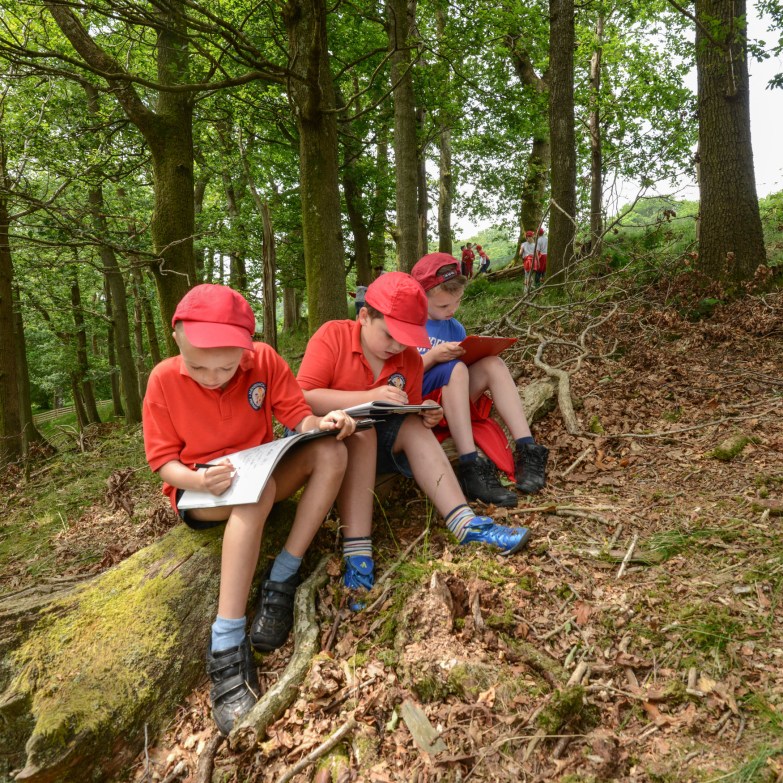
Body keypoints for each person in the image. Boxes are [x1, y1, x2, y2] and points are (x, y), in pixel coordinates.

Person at [142, 284, 356, 735]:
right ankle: (226, 641)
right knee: (252, 495)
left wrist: (326, 424)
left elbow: (299, 416)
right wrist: (198, 479)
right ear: (176, 336)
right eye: (198, 366)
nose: (213, 377)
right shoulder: (163, 378)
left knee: (333, 452)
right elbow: (163, 461)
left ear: (246, 349)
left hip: (263, 471)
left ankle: (283, 576)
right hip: (202, 489)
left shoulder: (264, 361)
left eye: (226, 366)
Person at [296, 272, 531, 609]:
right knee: (362, 431)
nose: (396, 346)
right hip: (327, 441)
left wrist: (427, 413)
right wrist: (368, 394)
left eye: (406, 339)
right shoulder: (333, 335)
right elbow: (302, 395)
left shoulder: (407, 358)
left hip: (378, 443)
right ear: (364, 317)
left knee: (414, 428)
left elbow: (407, 408)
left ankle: (464, 522)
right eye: (390, 335)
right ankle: (358, 552)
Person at [411, 253, 549, 506]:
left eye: (457, 302)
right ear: (421, 297)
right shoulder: (407, 325)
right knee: (457, 370)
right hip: (418, 404)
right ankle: (470, 463)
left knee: (493, 365)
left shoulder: (454, 327)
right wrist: (432, 357)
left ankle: (528, 449)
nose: (452, 310)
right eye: (443, 306)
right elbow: (399, 378)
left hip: (451, 399)